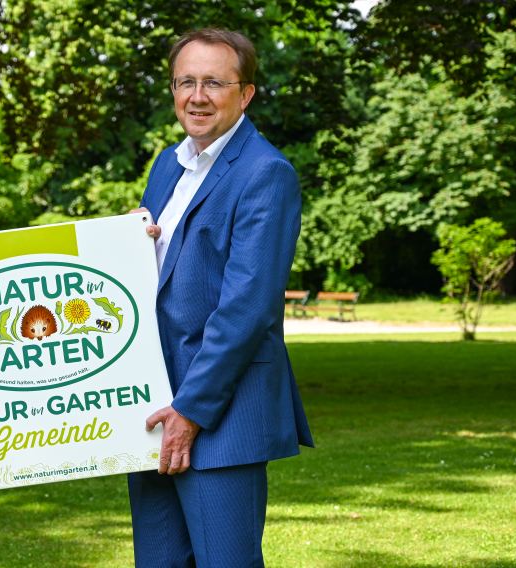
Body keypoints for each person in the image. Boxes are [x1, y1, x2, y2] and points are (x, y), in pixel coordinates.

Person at [129, 28, 314, 567]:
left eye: (214, 82)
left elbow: (247, 307)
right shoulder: (168, 164)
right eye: (185, 82)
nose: (197, 96)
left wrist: (191, 410)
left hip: (219, 412)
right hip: (153, 406)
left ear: (245, 93)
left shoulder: (265, 173)